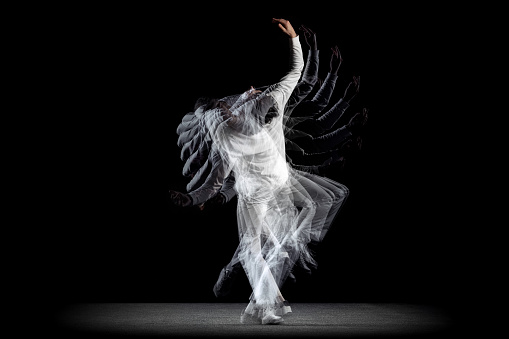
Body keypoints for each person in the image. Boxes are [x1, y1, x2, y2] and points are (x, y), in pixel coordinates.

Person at [170, 18, 349, 325]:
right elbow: (215, 180)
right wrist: (192, 198)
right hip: (255, 193)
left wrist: (294, 39)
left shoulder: (269, 98)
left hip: (281, 181)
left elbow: (295, 72)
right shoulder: (228, 132)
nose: (251, 91)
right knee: (257, 248)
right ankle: (264, 303)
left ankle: (259, 297)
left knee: (291, 229)